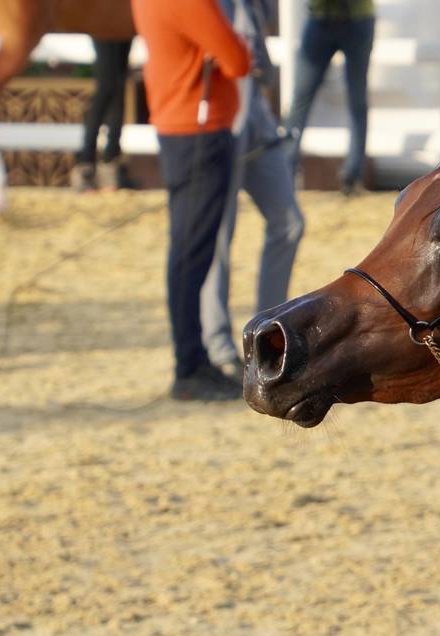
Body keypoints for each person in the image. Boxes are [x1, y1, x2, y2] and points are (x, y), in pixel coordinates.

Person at [131, 0, 251, 401]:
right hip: (200, 129)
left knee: (189, 252)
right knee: (191, 254)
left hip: (178, 125)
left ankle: (192, 360)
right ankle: (189, 366)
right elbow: (238, 60)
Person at [201, 0, 304, 377]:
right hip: (220, 111)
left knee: (289, 221)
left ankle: (265, 332)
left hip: (256, 110)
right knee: (219, 234)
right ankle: (217, 344)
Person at [285, 0, 376, 196]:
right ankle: (285, 171)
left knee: (357, 101)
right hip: (321, 18)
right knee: (301, 99)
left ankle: (353, 175)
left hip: (356, 18)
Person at [73, 36, 134, 193]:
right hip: (104, 24)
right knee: (107, 86)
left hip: (121, 25)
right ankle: (87, 164)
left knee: (118, 87)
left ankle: (109, 160)